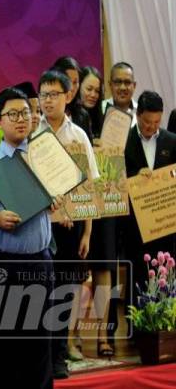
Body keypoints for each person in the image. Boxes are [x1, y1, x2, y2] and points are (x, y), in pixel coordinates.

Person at [0, 87, 56, 389]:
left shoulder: (43, 155)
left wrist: (55, 200)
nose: (22, 119)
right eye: (13, 114)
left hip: (41, 261)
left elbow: (56, 198)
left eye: (26, 113)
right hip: (5, 263)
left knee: (41, 340)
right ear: (0, 121)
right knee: (7, 342)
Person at [37, 69, 99, 378]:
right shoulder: (32, 132)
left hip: (71, 228)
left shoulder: (79, 137)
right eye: (43, 95)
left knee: (63, 292)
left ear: (68, 96)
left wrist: (87, 232)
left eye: (54, 95)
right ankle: (41, 357)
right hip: (38, 227)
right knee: (38, 293)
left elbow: (91, 187)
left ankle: (58, 356)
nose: (48, 101)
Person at [77, 65, 118, 356]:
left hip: (105, 206)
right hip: (78, 205)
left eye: (96, 89)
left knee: (104, 269)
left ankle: (103, 336)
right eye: (88, 88)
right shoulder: (72, 120)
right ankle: (75, 337)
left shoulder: (110, 119)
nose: (92, 93)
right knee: (78, 272)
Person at [124, 91, 176, 289]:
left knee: (166, 280)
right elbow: (115, 178)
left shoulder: (171, 141)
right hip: (135, 225)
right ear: (138, 115)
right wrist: (135, 178)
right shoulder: (124, 141)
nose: (151, 126)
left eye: (156, 122)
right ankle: (134, 321)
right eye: (147, 121)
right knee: (137, 277)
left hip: (165, 224)